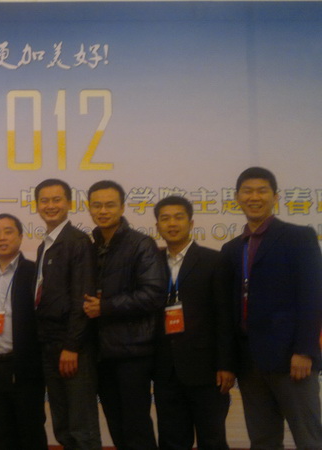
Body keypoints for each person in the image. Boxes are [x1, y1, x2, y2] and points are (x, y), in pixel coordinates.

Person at [220, 167, 322, 449]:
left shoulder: (298, 237)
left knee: (309, 438)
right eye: (247, 191)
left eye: (261, 191)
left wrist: (305, 350)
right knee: (263, 440)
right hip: (250, 362)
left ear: (275, 197)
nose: (254, 197)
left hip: (292, 360)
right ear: (237, 197)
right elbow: (228, 311)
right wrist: (229, 362)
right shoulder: (231, 249)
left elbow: (312, 296)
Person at [82, 180, 166, 450]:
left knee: (136, 426)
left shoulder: (141, 244)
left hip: (133, 352)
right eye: (97, 205)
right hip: (101, 352)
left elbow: (154, 294)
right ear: (89, 208)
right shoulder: (91, 247)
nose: (103, 211)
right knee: (116, 425)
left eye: (110, 205)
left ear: (122, 207)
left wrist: (105, 307)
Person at [153, 196, 235, 450]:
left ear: (191, 223)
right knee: (172, 441)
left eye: (178, 217)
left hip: (207, 371)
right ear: (157, 226)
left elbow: (225, 316)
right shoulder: (151, 262)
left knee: (212, 440)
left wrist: (226, 365)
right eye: (165, 219)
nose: (172, 224)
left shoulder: (214, 260)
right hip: (165, 371)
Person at [34, 179, 101, 449]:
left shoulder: (78, 241)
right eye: (44, 200)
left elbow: (81, 299)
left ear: (69, 203)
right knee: (62, 426)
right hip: (50, 345)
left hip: (72, 349)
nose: (50, 205)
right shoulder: (45, 245)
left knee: (82, 428)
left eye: (56, 199)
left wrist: (72, 346)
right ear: (37, 205)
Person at [0, 213, 47, 450]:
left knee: (30, 431)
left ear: (20, 236)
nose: (2, 238)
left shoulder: (33, 272)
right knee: (1, 432)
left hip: (24, 366)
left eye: (8, 232)